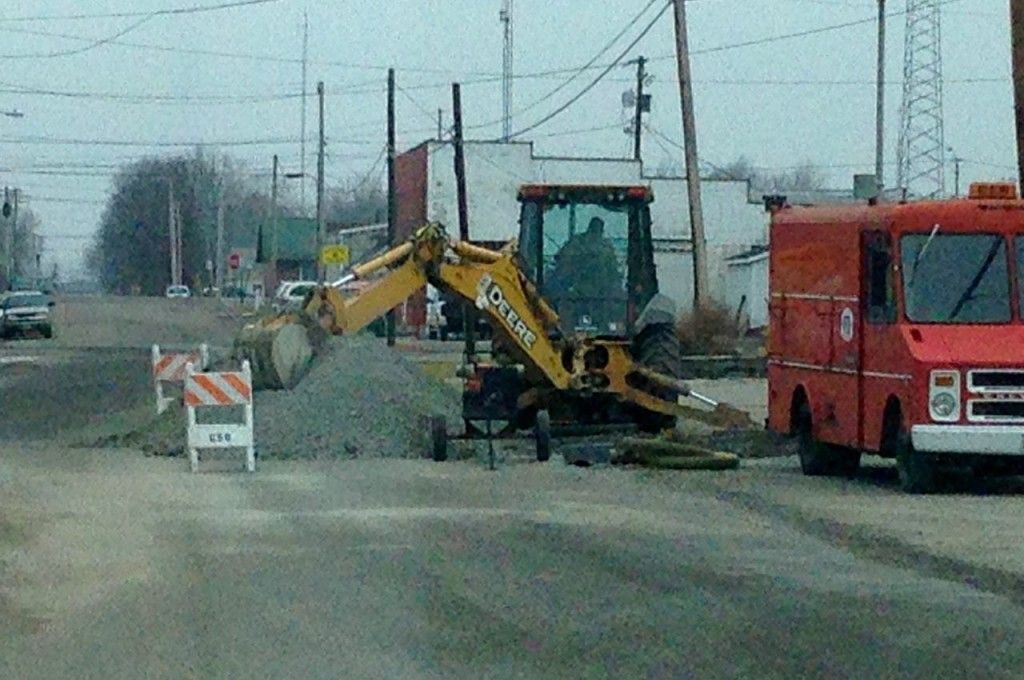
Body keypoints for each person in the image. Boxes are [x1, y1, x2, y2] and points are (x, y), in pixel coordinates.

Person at [548, 217, 624, 329]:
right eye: (595, 229)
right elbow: (561, 265)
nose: (596, 233)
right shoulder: (577, 243)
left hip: (599, 296)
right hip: (576, 292)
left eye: (598, 230)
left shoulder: (605, 248)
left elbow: (613, 274)